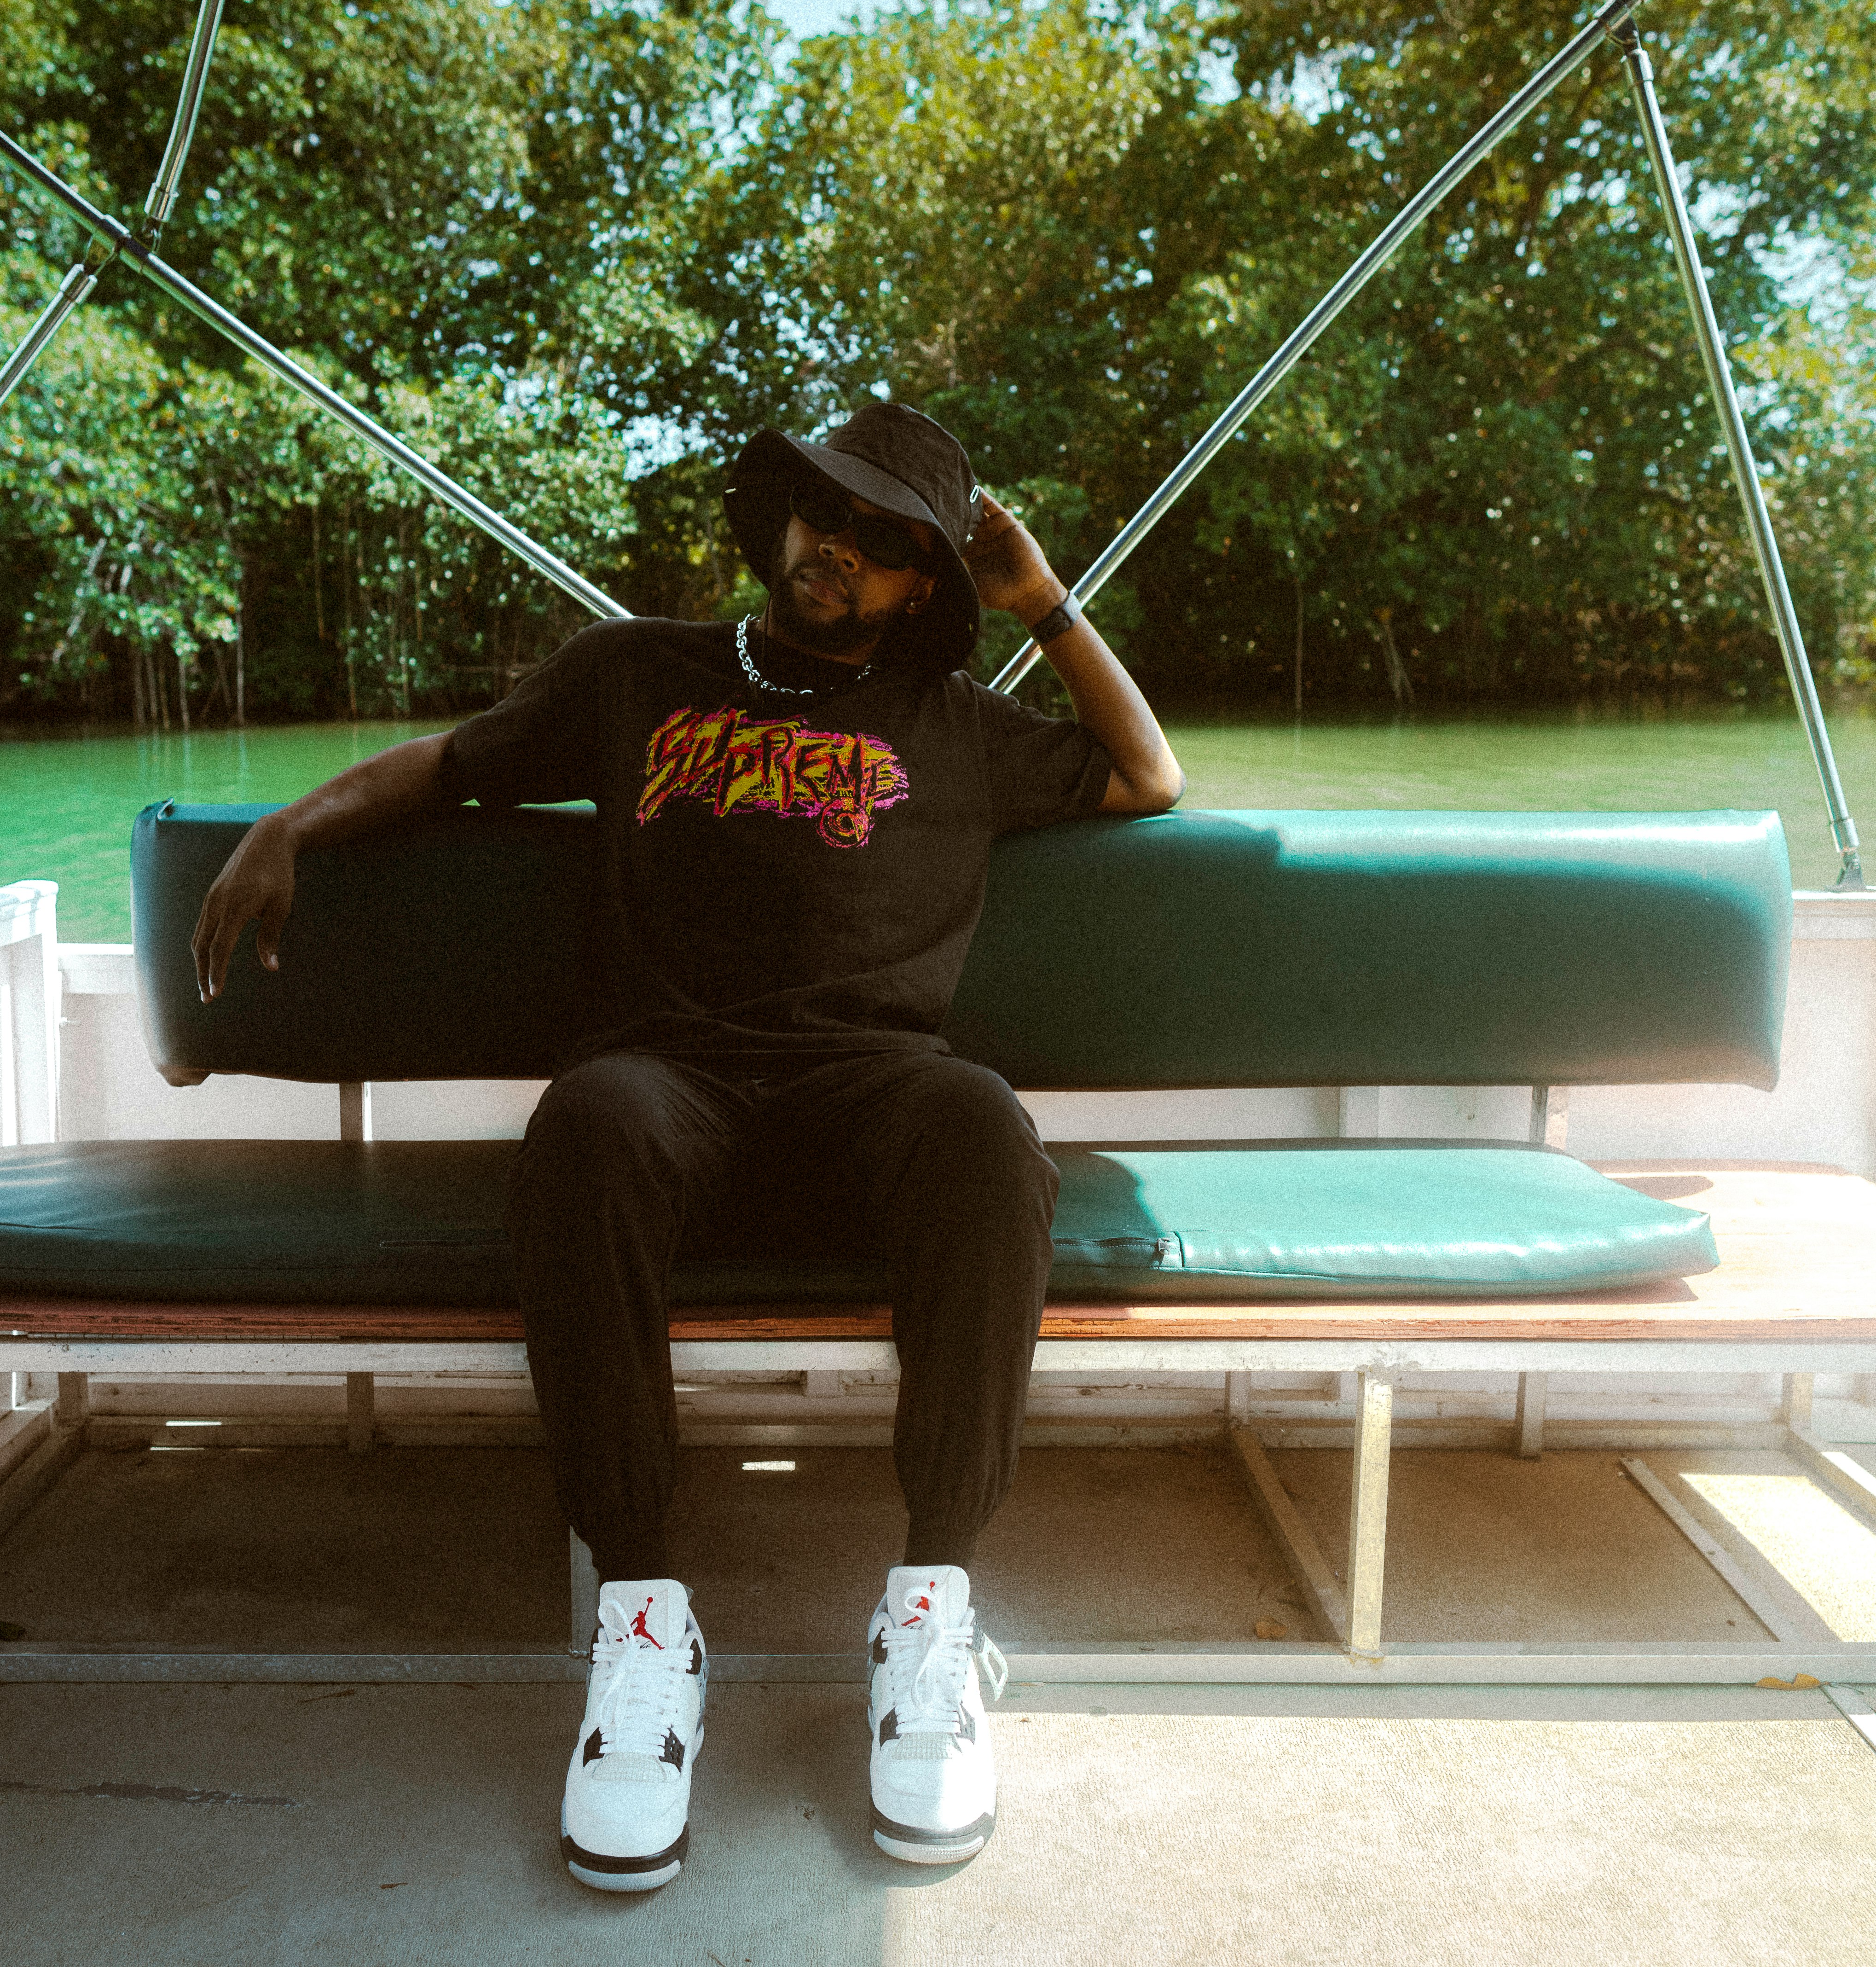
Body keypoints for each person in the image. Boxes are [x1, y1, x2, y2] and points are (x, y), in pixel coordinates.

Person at [189, 402, 1184, 1891]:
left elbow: (1149, 777)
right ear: (778, 519)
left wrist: (1041, 602)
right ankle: (647, 1627)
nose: (834, 551)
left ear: (927, 584)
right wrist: (293, 822)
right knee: (585, 1123)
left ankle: (929, 1609)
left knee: (983, 1129)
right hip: (671, 1082)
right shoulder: (633, 673)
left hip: (873, 1083)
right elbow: (455, 765)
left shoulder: (957, 728)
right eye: (819, 515)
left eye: (882, 543)